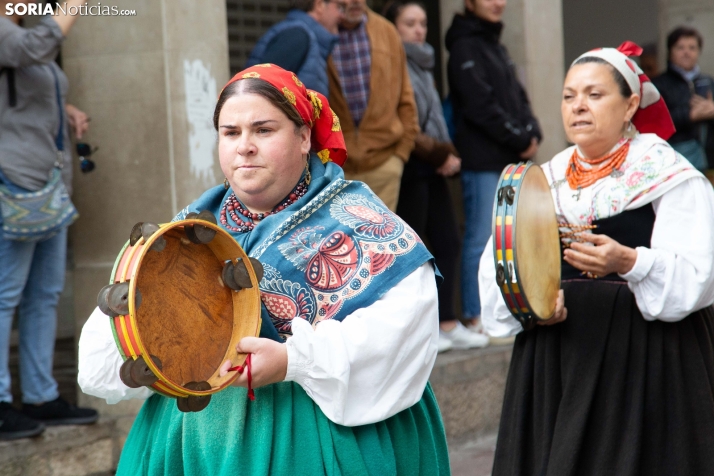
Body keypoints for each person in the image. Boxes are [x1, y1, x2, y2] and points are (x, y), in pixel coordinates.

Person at [77, 64, 450, 475]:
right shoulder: (187, 233)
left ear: (304, 136)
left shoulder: (361, 223)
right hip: (195, 447)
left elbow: (404, 333)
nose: (244, 146)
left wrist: (293, 361)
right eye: (230, 132)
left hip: (321, 443)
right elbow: (106, 353)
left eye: (263, 130)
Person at [479, 42, 714, 475]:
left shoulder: (668, 174)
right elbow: (500, 267)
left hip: (642, 357)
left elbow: (696, 277)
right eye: (569, 96)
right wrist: (531, 309)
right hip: (556, 356)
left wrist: (630, 262)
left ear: (629, 105)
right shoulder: (541, 179)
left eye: (594, 95)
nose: (578, 107)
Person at [0, 0, 99, 441]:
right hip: (13, 182)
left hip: (48, 184)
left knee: (45, 292)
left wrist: (67, 107)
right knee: (5, 294)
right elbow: (32, 47)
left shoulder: (22, 29)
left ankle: (41, 395)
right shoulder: (14, 33)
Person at [383, 0, 487, 352]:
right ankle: (422, 330)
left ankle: (446, 322)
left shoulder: (424, 62)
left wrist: (445, 153)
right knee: (414, 249)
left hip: (433, 164)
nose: (419, 30)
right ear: (392, 28)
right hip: (412, 164)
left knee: (447, 242)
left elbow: (433, 118)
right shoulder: (393, 62)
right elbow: (403, 123)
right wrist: (441, 154)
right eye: (410, 23)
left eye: (423, 23)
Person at [445, 0, 542, 334]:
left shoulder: (494, 44)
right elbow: (480, 105)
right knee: (482, 238)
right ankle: (475, 316)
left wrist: (532, 132)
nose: (498, 3)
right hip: (483, 160)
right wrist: (519, 139)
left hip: (509, 159)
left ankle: (503, 312)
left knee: (510, 238)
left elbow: (518, 96)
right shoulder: (464, 45)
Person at [328, 0, 419, 212]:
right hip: (337, 166)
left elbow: (406, 99)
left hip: (384, 162)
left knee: (382, 240)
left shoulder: (386, 31)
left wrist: (400, 156)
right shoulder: (321, 31)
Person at [244, 0, 346, 97]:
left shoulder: (302, 35)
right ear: (319, 5)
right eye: (340, 7)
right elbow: (264, 89)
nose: (342, 15)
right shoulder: (297, 35)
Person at [653, 26, 714, 171]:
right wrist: (690, 115)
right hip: (674, 161)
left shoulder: (708, 82)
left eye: (692, 48)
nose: (687, 53)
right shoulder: (658, 84)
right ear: (670, 52)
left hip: (709, 159)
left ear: (698, 51)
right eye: (680, 48)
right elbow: (655, 123)